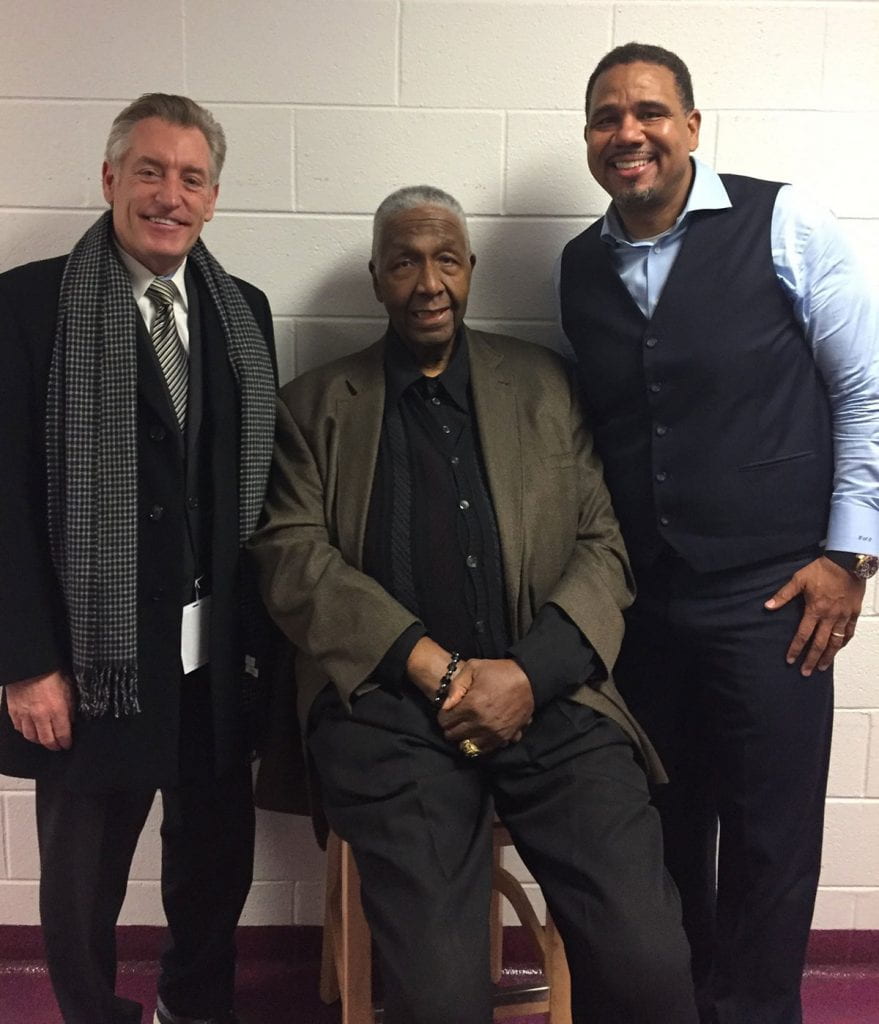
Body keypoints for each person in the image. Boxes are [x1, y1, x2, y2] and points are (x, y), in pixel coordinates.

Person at [249, 184, 698, 1024]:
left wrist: (526, 675)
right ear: (377, 276)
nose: (429, 281)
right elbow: (291, 559)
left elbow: (604, 547)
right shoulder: (313, 407)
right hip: (387, 713)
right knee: (440, 997)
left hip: (552, 699)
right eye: (406, 261)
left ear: (471, 270)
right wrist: (437, 668)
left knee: (647, 962)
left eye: (446, 259)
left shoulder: (542, 385)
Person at [559, 42, 879, 1024]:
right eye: (608, 117)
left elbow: (865, 390)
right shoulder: (579, 265)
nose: (629, 133)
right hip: (647, 604)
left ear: (692, 127)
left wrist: (848, 558)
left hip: (776, 596)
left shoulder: (786, 221)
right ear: (588, 139)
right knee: (662, 825)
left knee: (770, 838)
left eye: (650, 112)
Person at [0, 94, 278, 1024]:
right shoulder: (27, 306)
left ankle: (193, 1007)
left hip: (213, 655)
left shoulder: (245, 314)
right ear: (111, 179)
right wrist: (27, 661)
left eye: (191, 177)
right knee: (84, 879)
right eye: (150, 171)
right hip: (92, 657)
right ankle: (93, 1013)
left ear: (213, 197)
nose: (170, 194)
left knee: (213, 862)